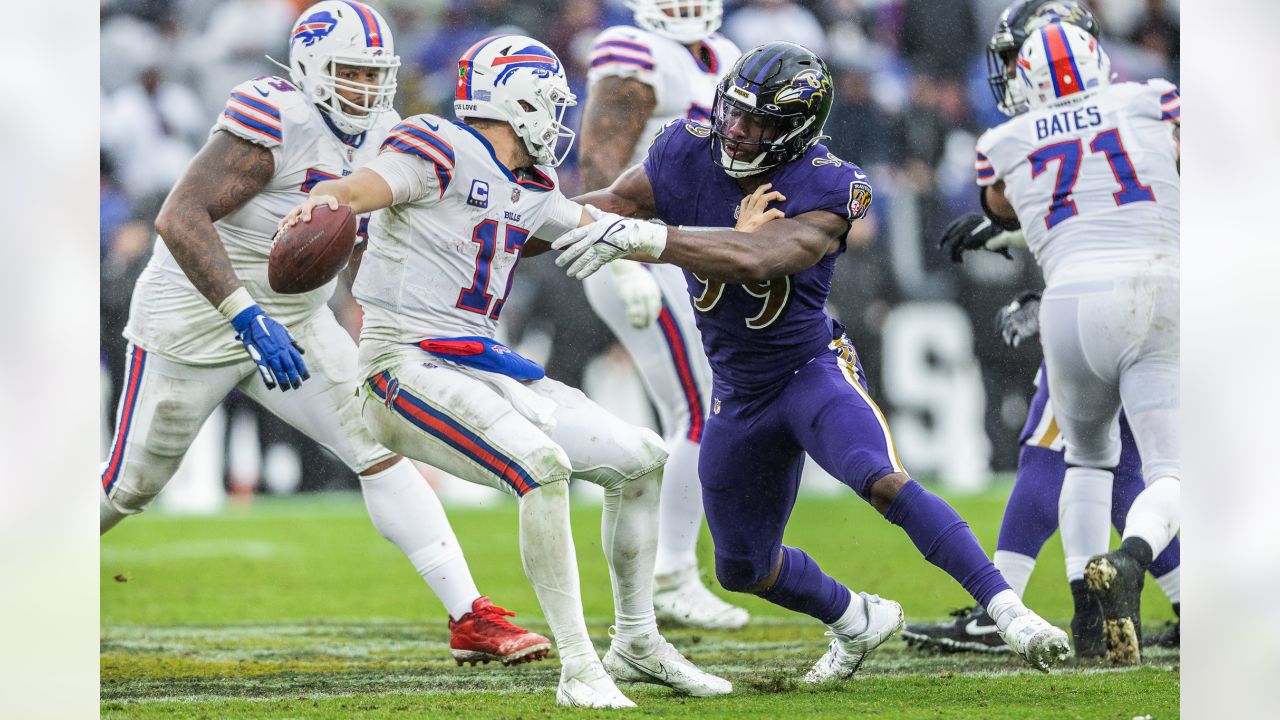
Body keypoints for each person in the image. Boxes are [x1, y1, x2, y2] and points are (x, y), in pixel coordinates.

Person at [552, 41, 1071, 681]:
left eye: (760, 121)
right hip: (736, 392)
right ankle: (857, 621)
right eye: (735, 112)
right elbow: (598, 211)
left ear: (796, 130)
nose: (738, 131)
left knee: (879, 477)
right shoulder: (685, 150)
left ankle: (1008, 612)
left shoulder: (829, 182)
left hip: (808, 371)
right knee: (741, 568)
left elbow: (759, 259)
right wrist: (501, 228)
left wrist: (652, 239)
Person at [278, 34, 731, 708]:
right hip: (402, 366)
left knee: (642, 457)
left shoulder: (530, 185)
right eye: (550, 103)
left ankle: (636, 642)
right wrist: (333, 200)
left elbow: (599, 225)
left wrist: (713, 246)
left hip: (484, 366)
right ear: (516, 99)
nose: (558, 118)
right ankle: (579, 665)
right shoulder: (437, 145)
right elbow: (367, 187)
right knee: (540, 464)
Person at [100, 1, 550, 668]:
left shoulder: (385, 134)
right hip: (192, 318)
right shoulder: (275, 115)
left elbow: (379, 237)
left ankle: (470, 617)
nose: (364, 89)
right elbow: (179, 215)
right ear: (309, 66)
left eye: (374, 75)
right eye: (349, 72)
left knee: (377, 442)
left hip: (297, 317)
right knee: (129, 486)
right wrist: (244, 316)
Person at [914, 0, 1181, 657]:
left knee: (1085, 461)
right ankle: (1134, 561)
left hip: (1067, 306)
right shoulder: (1152, 99)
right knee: (1166, 468)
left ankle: (1088, 618)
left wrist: (1008, 222)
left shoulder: (1000, 143)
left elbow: (1018, 195)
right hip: (1158, 292)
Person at [577, 0, 749, 630]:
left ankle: (673, 568)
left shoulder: (725, 54)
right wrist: (619, 256)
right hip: (641, 250)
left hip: (689, 252)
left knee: (710, 407)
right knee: (702, 408)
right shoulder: (633, 49)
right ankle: (671, 574)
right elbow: (598, 162)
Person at [902, 298, 1181, 656]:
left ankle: (1000, 609)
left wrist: (1053, 298)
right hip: (1164, 320)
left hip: (1099, 312)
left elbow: (1083, 245)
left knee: (1046, 450)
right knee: (1122, 469)